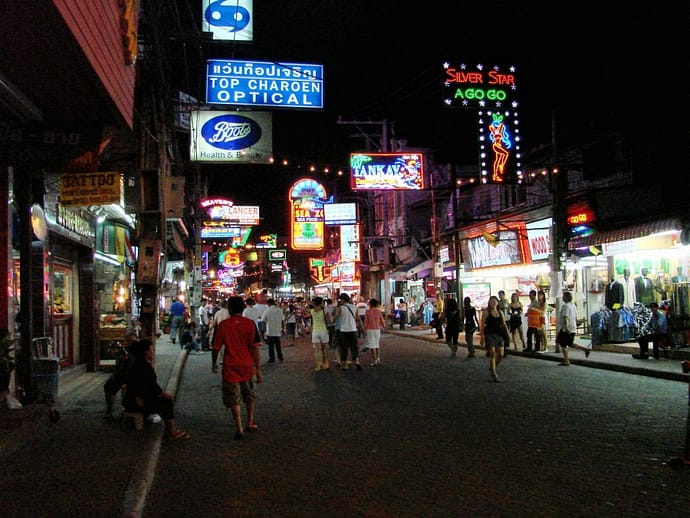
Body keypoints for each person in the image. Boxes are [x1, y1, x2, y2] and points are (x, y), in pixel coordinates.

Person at [211, 296, 263, 440]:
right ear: (243, 308)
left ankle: (239, 428)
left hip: (230, 365)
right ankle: (250, 421)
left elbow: (216, 348)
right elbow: (255, 349)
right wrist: (258, 370)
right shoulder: (250, 324)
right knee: (249, 395)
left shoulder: (223, 325)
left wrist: (214, 363)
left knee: (234, 398)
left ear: (230, 309)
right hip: (247, 365)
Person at [123, 339, 189, 440]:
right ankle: (172, 430)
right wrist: (163, 394)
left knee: (164, 400)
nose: (153, 352)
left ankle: (171, 429)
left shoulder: (139, 364)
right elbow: (151, 386)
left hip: (134, 400)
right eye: (151, 350)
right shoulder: (143, 367)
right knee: (166, 402)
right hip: (136, 402)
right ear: (146, 352)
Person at [479, 295, 510, 382]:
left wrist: (507, 334)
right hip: (490, 334)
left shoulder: (500, 312)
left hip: (499, 335)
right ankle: (494, 374)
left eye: (494, 301)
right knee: (492, 353)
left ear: (497, 302)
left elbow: (504, 324)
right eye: (491, 301)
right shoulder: (486, 312)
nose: (493, 303)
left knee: (500, 354)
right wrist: (482, 337)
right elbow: (482, 325)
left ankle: (493, 367)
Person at [557, 291, 591, 365]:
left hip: (566, 328)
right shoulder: (573, 306)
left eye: (563, 296)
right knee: (570, 343)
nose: (562, 297)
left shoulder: (565, 306)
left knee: (562, 343)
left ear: (565, 297)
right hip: (573, 327)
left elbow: (565, 317)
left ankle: (566, 360)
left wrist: (566, 328)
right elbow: (575, 317)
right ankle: (585, 349)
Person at [333, 292, 363, 370]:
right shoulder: (354, 307)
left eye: (340, 299)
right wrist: (362, 328)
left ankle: (345, 364)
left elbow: (335, 318)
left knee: (344, 348)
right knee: (354, 347)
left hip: (343, 330)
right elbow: (358, 318)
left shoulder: (341, 308)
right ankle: (357, 361)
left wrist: (331, 321)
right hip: (353, 329)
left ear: (342, 300)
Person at [362, 298, 387, 366]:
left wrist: (364, 329)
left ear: (371, 304)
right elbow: (382, 320)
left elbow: (366, 321)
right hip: (377, 329)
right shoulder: (378, 311)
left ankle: (375, 360)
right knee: (377, 344)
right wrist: (384, 327)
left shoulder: (368, 312)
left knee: (372, 345)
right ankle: (378, 359)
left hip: (370, 329)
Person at [309, 297, 330, 371]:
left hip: (315, 331)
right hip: (323, 331)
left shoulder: (312, 311)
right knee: (324, 349)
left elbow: (309, 305)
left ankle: (318, 365)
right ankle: (325, 363)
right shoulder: (324, 311)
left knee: (317, 350)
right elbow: (329, 321)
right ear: (321, 303)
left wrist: (312, 303)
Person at [262, 298, 285, 363]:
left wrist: (263, 331)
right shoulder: (279, 310)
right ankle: (280, 357)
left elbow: (263, 321)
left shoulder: (267, 311)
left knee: (271, 346)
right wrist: (283, 329)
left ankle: (272, 358)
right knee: (278, 345)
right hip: (278, 330)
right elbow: (282, 320)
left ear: (268, 304)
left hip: (270, 331)